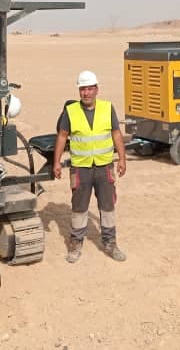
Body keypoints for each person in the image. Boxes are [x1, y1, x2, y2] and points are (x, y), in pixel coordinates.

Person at [53, 70, 127, 263]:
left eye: (89, 89)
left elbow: (116, 134)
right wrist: (56, 163)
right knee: (79, 208)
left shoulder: (107, 108)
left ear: (96, 89)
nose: (86, 93)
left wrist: (122, 159)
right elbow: (62, 136)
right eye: (82, 89)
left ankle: (110, 244)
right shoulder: (71, 111)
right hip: (81, 168)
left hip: (104, 167)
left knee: (107, 207)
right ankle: (76, 245)